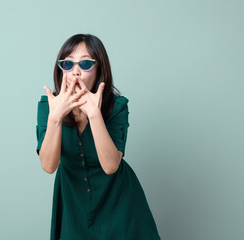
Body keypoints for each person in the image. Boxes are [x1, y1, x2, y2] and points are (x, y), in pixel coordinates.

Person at [36, 33, 161, 240]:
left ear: (99, 69)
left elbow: (111, 165)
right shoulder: (48, 106)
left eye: (85, 64)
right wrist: (55, 117)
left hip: (119, 201)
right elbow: (49, 166)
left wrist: (94, 113)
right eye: (67, 64)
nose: (75, 72)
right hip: (72, 203)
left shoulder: (117, 106)